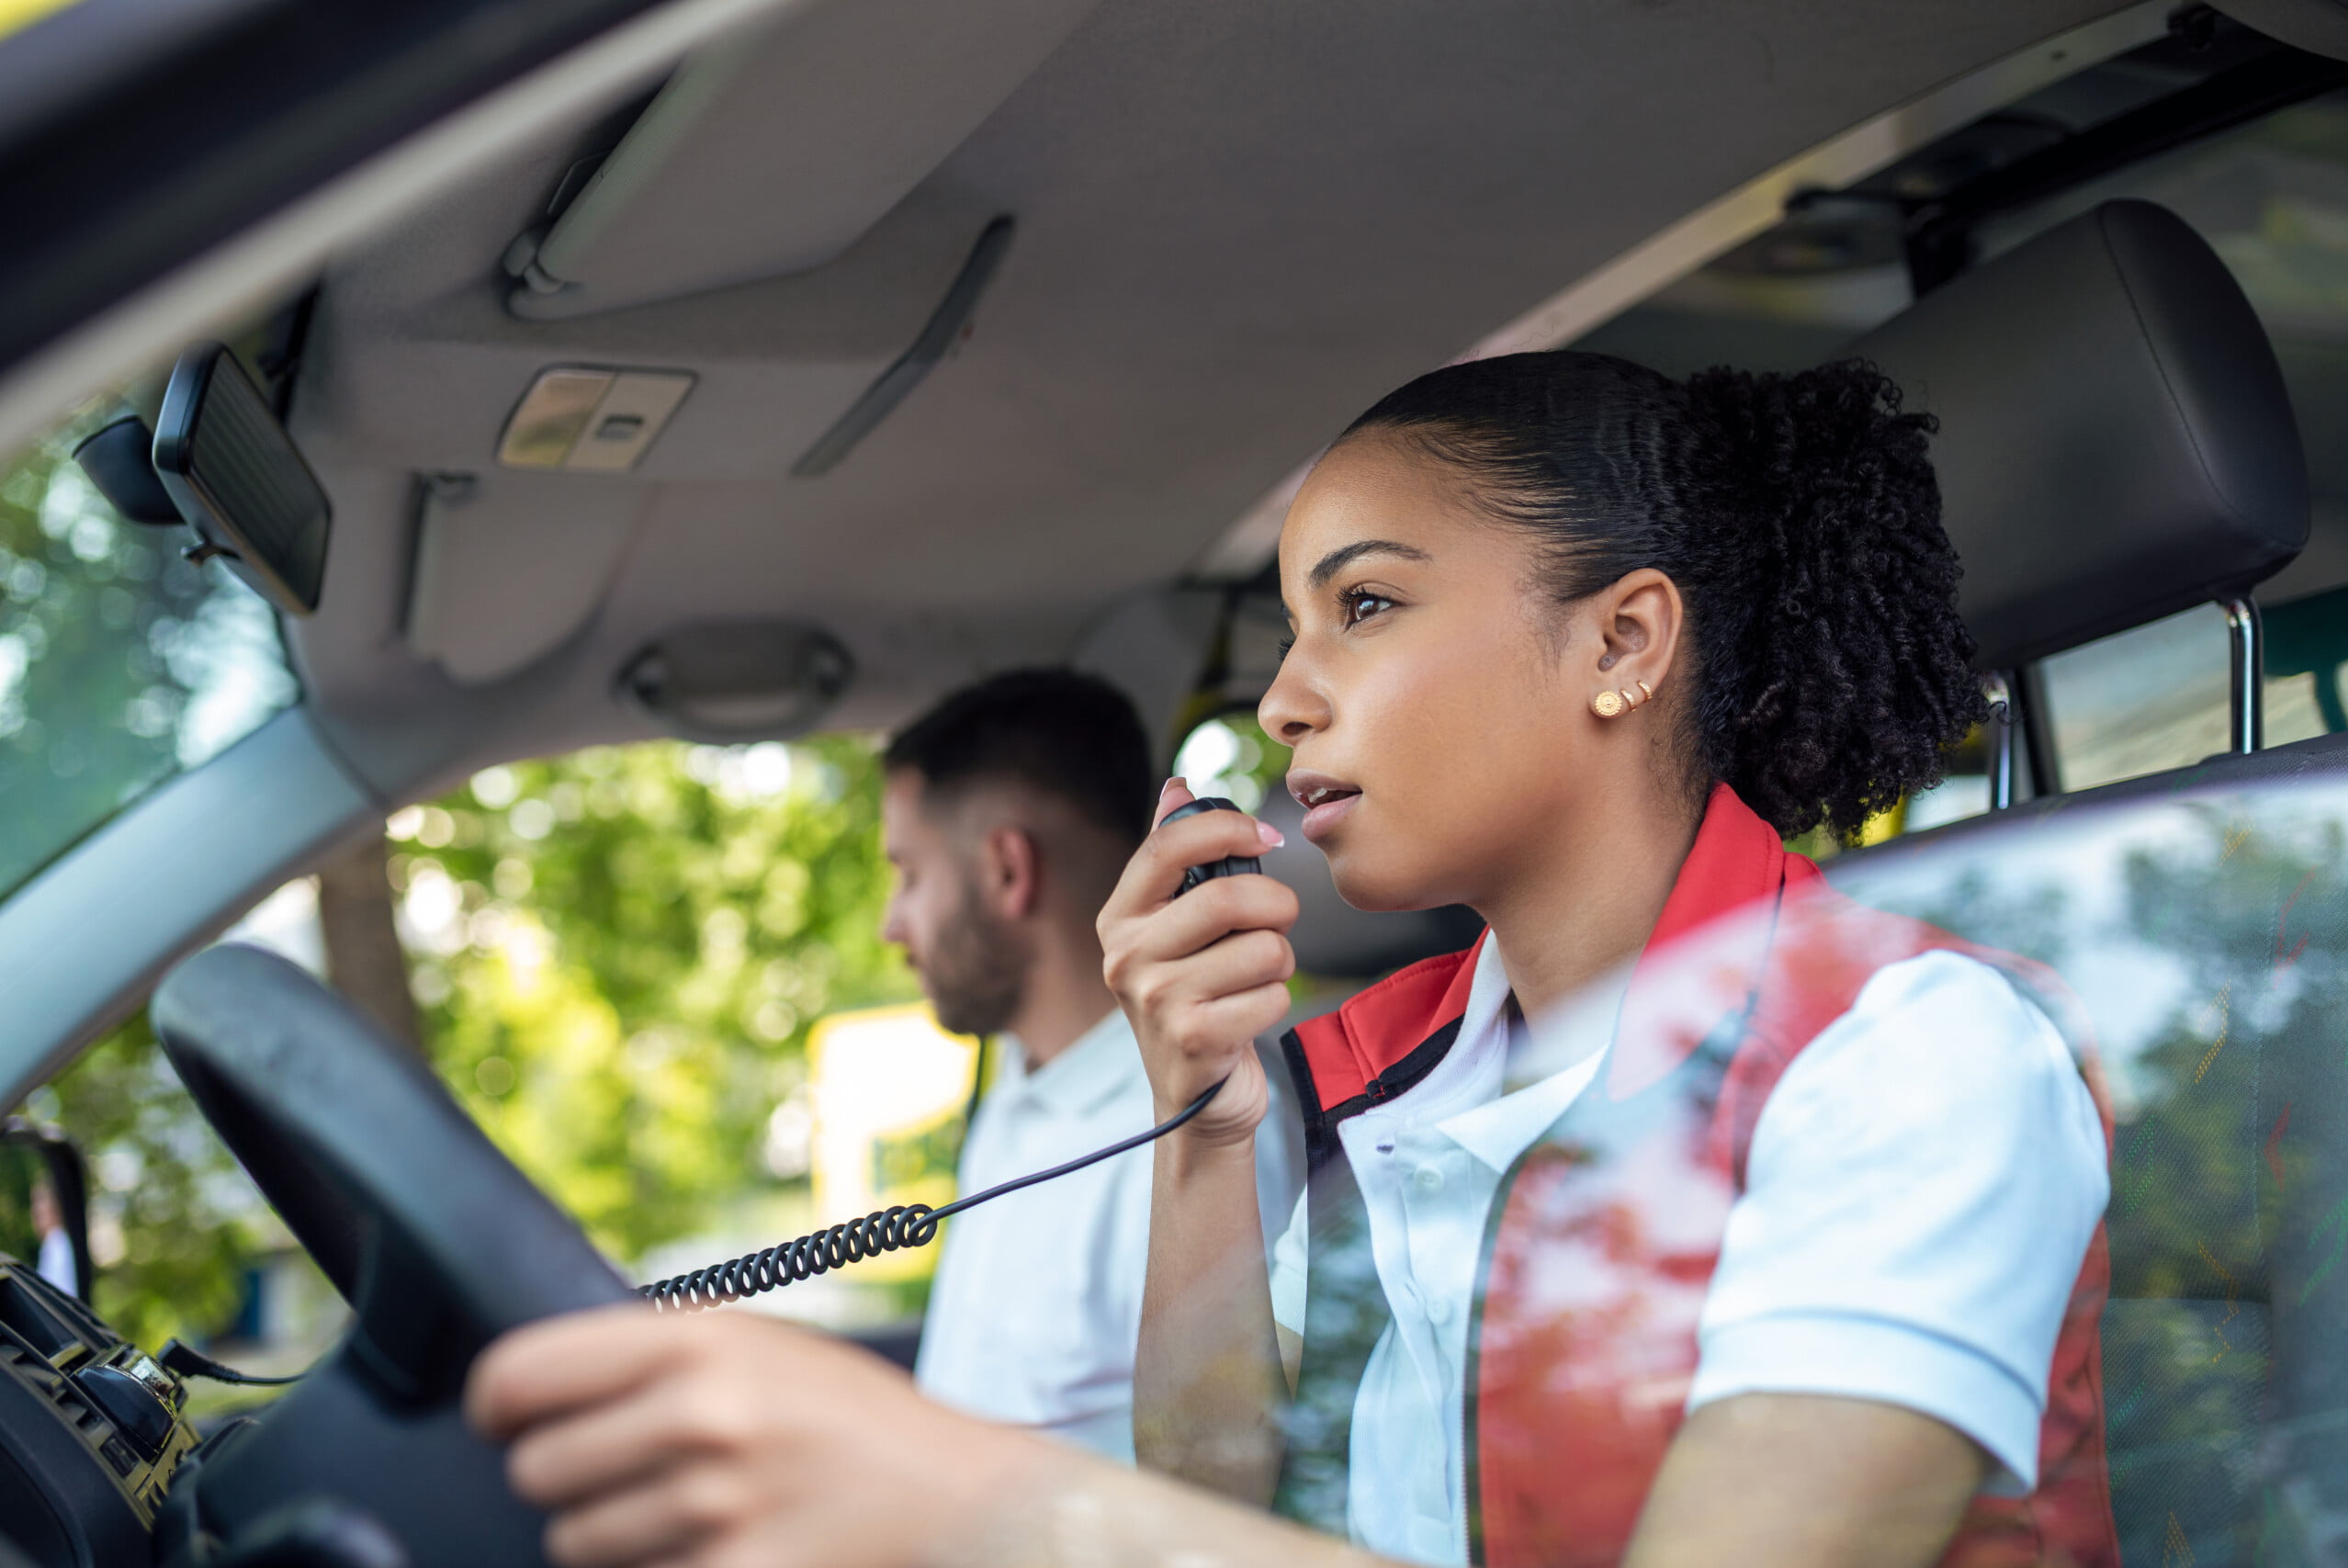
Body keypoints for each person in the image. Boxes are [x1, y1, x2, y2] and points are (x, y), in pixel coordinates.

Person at [465, 352, 2114, 1568]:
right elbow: (1216, 1492)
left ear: (1622, 642)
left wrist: (973, 1498)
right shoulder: (1388, 1059)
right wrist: (1197, 1108)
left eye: (1368, 608)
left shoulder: (1906, 1050)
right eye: (1290, 631)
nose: (1283, 701)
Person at [876, 669, 1296, 1463]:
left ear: (1008, 869)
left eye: (909, 873)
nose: (889, 925)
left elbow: (1227, 1480)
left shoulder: (1201, 1129)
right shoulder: (1021, 1076)